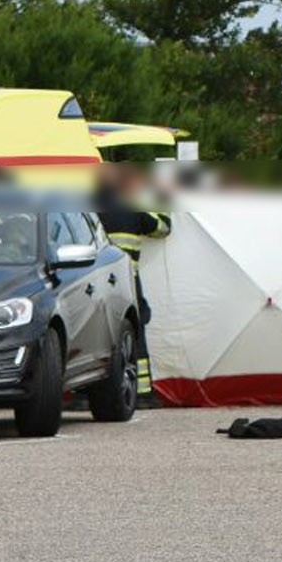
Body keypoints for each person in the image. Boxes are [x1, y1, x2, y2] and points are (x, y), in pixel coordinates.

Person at [95, 164, 172, 399]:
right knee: (134, 333)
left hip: (94, 282)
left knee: (95, 335)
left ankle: (86, 395)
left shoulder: (84, 209)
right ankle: (143, 393)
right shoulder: (133, 207)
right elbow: (163, 227)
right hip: (128, 281)